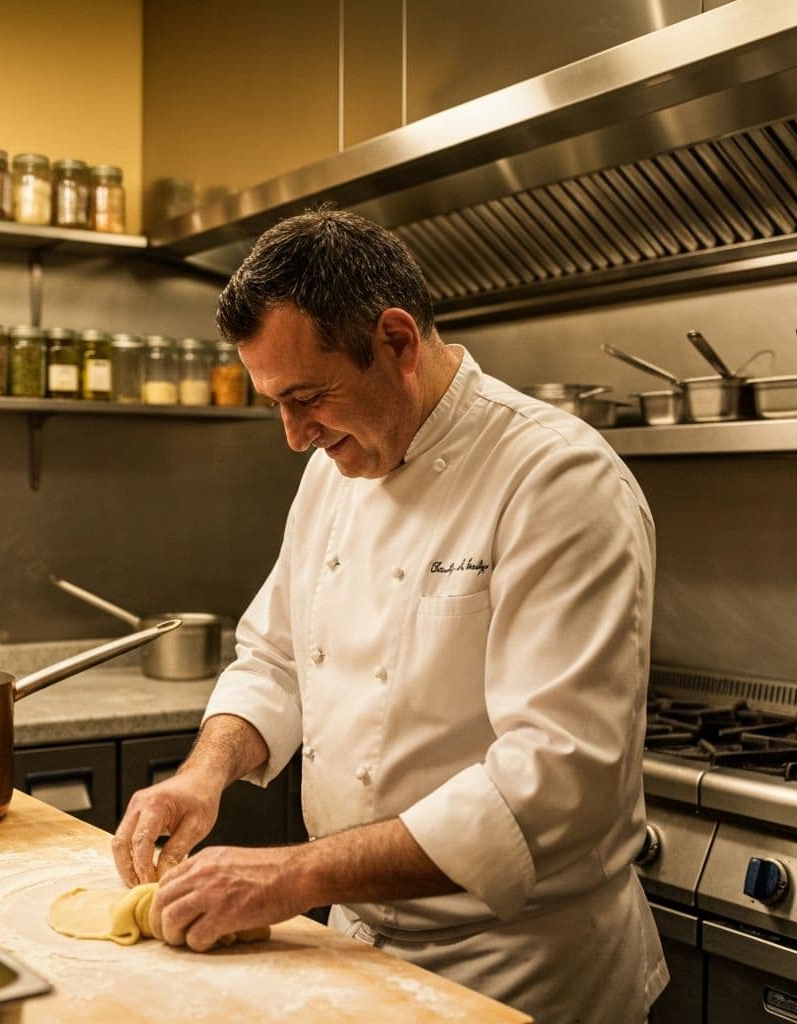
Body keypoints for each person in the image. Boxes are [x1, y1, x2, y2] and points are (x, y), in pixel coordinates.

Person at [112, 209, 668, 1023]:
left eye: (306, 397)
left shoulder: (558, 481)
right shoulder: (339, 468)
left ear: (398, 343)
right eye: (275, 403)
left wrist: (292, 876)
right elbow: (276, 659)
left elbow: (554, 783)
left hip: (521, 970)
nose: (295, 436)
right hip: (357, 946)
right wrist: (205, 774)